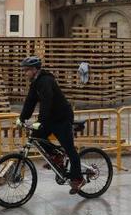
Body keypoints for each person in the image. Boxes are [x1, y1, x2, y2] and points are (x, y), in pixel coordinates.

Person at [17, 56, 84, 195]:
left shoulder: (46, 80)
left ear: (35, 69)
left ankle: (78, 178)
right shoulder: (35, 83)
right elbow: (30, 101)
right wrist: (22, 118)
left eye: (27, 70)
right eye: (24, 71)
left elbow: (47, 102)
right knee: (36, 137)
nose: (25, 73)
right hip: (50, 118)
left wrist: (40, 121)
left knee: (69, 148)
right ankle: (56, 156)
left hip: (62, 118)